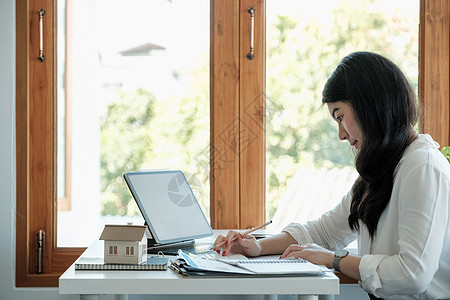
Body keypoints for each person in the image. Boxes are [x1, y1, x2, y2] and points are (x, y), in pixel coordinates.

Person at [213, 51, 450, 299]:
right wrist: (258, 246)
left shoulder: (422, 166)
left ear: (368, 104)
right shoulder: (385, 169)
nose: (341, 135)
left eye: (340, 116)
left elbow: (412, 274)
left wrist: (333, 259)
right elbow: (324, 232)